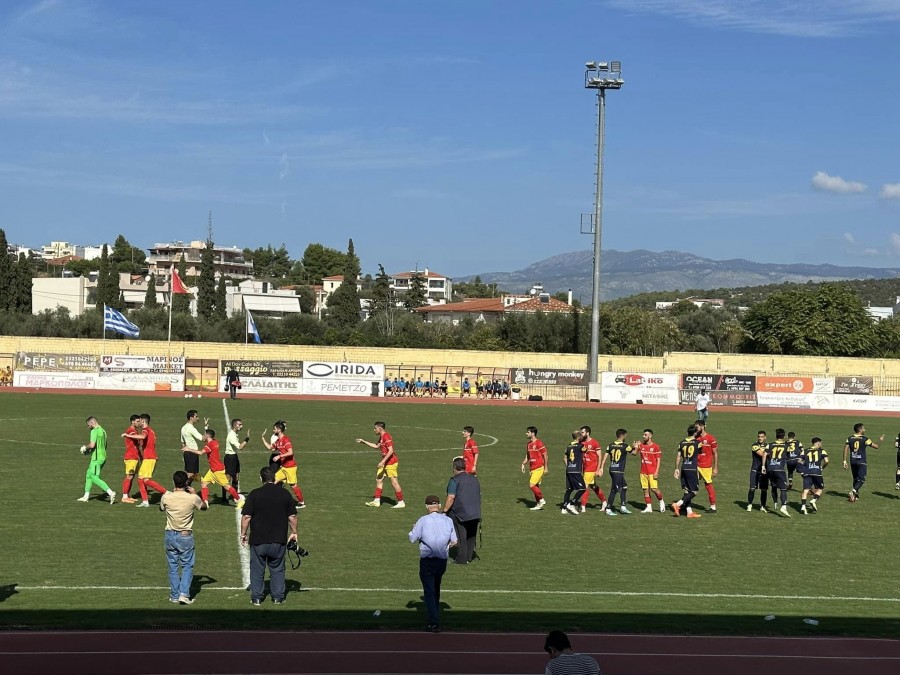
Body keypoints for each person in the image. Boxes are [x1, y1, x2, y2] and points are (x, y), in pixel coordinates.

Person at [240, 466, 299, 605]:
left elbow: (246, 517)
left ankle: (257, 597)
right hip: (278, 539)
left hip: (258, 540)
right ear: (275, 478)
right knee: (277, 568)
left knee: (257, 569)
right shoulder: (285, 494)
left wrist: (243, 534)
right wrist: (294, 532)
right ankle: (278, 597)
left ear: (261, 478)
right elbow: (292, 516)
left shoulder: (254, 494)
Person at [409, 495, 457, 632]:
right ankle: (435, 614)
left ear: (426, 507)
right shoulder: (448, 520)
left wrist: (414, 529)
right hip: (442, 561)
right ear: (439, 506)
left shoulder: (423, 520)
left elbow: (413, 538)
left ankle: (434, 621)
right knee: (436, 588)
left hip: (427, 561)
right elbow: (454, 541)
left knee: (429, 591)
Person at [159, 470, 202, 605]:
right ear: (186, 483)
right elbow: (204, 507)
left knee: (172, 566)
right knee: (187, 566)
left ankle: (174, 595)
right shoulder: (192, 498)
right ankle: (183, 594)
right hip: (185, 535)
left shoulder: (166, 496)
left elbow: (161, 508)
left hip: (170, 535)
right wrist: (195, 494)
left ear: (174, 482)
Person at [184, 429, 245, 510]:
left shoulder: (209, 445)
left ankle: (239, 500)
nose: (203, 435)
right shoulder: (215, 442)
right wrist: (206, 427)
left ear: (207, 436)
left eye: (204, 434)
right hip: (212, 470)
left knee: (227, 486)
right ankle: (205, 502)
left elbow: (200, 453)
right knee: (203, 483)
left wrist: (188, 449)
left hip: (217, 470)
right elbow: (209, 437)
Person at [443, 457, 481, 564]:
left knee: (461, 536)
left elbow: (451, 497)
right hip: (475, 512)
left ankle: (461, 559)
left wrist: (445, 511)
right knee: (471, 536)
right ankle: (469, 557)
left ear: (455, 468)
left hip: (460, 513)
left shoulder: (454, 480)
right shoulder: (474, 479)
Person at [358, 421, 405, 508]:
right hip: (385, 462)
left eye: (375, 428)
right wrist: (364, 442)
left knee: (394, 482)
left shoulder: (386, 436)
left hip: (391, 463)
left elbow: (391, 451)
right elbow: (376, 446)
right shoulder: (381, 437)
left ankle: (401, 502)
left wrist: (382, 462)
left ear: (380, 428)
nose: (374, 430)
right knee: (379, 479)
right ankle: (376, 501)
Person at [261, 421, 305, 509]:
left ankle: (301, 502)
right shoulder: (278, 441)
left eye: (274, 429)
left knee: (293, 485)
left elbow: (290, 452)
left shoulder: (286, 440)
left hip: (290, 467)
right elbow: (270, 447)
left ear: (279, 429)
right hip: (284, 467)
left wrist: (279, 456)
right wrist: (262, 437)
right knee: (274, 480)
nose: (273, 431)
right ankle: (271, 499)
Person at [77, 416, 117, 504]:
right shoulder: (103, 431)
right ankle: (85, 496)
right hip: (102, 456)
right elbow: (103, 446)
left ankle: (110, 492)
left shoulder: (94, 431)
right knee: (88, 474)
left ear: (92, 423)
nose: (88, 427)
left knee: (94, 477)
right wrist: (89, 452)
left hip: (97, 458)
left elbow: (92, 445)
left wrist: (85, 448)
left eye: (88, 425)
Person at [130, 413, 167, 507]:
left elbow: (143, 437)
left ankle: (166, 493)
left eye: (140, 421)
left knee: (145, 480)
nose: (139, 423)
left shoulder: (145, 430)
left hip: (150, 458)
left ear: (143, 421)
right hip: (148, 458)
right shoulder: (151, 431)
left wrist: (128, 435)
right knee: (140, 479)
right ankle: (145, 502)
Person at [842, 422, 883, 502]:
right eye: (863, 428)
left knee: (855, 479)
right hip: (861, 461)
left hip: (853, 461)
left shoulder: (849, 438)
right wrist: (880, 440)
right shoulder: (865, 439)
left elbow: (845, 449)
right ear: (860, 430)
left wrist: (844, 461)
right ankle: (853, 491)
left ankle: (855, 497)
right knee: (861, 479)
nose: (865, 430)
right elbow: (876, 446)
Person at [672, 424, 702, 518]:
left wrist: (676, 468)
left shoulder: (682, 443)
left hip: (683, 467)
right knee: (694, 491)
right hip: (692, 468)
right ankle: (678, 504)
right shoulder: (698, 443)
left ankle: (689, 512)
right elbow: (700, 453)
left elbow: (678, 456)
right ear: (695, 433)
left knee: (687, 491)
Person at [599, 428, 632, 516]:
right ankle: (608, 508)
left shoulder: (610, 445)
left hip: (612, 469)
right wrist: (637, 446)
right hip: (618, 471)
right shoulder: (625, 446)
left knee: (624, 487)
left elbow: (605, 457)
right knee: (614, 489)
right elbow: (634, 453)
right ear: (623, 436)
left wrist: (601, 468)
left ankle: (623, 506)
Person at [762, 428, 791, 517]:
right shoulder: (786, 446)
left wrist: (763, 466)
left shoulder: (769, 445)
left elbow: (764, 454)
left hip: (770, 469)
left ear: (776, 436)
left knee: (774, 486)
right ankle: (783, 506)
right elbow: (789, 456)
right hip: (780, 469)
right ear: (784, 436)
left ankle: (775, 503)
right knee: (783, 488)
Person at [635, 428, 665, 513]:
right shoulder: (641, 445)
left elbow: (658, 460)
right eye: (643, 435)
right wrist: (635, 447)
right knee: (645, 490)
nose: (643, 436)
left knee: (654, 489)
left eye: (645, 435)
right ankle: (649, 507)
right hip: (643, 472)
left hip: (652, 472)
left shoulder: (655, 447)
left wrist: (656, 472)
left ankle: (661, 501)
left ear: (650, 436)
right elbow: (633, 453)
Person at [578, 426, 607, 512]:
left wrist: (598, 469)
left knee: (584, 486)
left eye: (582, 432)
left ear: (587, 433)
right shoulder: (581, 442)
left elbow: (599, 456)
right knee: (593, 486)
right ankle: (604, 502)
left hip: (591, 468)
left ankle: (582, 507)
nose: (581, 434)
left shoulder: (594, 443)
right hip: (585, 467)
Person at [520, 426, 548, 510]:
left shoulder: (539, 443)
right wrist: (523, 463)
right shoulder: (529, 444)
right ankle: (538, 504)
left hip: (539, 468)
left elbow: (545, 455)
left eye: (528, 432)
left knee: (531, 485)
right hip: (532, 468)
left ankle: (542, 499)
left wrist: (546, 467)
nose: (526, 433)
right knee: (536, 486)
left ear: (533, 433)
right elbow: (528, 455)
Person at [799, 437, 828, 515]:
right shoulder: (822, 451)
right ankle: (814, 500)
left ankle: (803, 506)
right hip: (816, 472)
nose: (821, 445)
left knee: (805, 489)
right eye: (821, 443)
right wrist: (822, 467)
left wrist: (805, 466)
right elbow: (826, 461)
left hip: (807, 472)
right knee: (820, 488)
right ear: (818, 443)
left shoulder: (805, 451)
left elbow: (799, 460)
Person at [694, 419, 718, 512]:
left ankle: (713, 507)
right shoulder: (695, 438)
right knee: (690, 485)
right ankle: (686, 504)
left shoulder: (711, 439)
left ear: (703, 426)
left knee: (708, 485)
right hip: (696, 465)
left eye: (698, 427)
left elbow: (715, 453)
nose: (696, 428)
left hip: (706, 467)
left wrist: (715, 468)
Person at [224, 418, 249, 503]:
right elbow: (240, 447)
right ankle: (224, 497)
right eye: (239, 424)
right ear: (235, 425)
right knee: (227, 478)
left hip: (234, 457)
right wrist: (247, 439)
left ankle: (234, 496)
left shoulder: (235, 433)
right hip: (230, 458)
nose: (241, 426)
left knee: (236, 477)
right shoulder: (231, 435)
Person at [119, 414, 143, 504]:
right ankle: (124, 497)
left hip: (134, 457)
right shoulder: (131, 431)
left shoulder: (134, 431)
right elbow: (131, 436)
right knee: (129, 476)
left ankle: (127, 495)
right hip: (130, 457)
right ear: (132, 421)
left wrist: (140, 456)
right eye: (137, 421)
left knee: (131, 476)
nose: (139, 423)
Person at [561, 431, 586, 515]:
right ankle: (571, 504)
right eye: (581, 436)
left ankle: (564, 508)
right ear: (578, 437)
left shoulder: (568, 446)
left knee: (569, 489)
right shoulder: (581, 446)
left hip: (569, 470)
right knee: (582, 488)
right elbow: (586, 450)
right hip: (576, 470)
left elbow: (564, 458)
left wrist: (568, 466)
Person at [181, 409, 207, 486]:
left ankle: (201, 484)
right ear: (191, 418)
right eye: (196, 416)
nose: (198, 418)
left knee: (193, 474)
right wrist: (206, 427)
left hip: (188, 453)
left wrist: (185, 452)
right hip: (192, 453)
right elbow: (203, 438)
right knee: (191, 474)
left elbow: (182, 442)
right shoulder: (191, 428)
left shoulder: (183, 427)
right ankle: (184, 489)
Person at [746, 430, 770, 512]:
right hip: (755, 469)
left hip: (764, 470)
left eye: (762, 437)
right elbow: (762, 454)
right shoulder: (754, 445)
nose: (760, 438)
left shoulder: (768, 446)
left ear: (765, 437)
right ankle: (749, 504)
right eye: (759, 436)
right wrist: (769, 453)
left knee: (764, 489)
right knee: (752, 488)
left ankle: (762, 506)